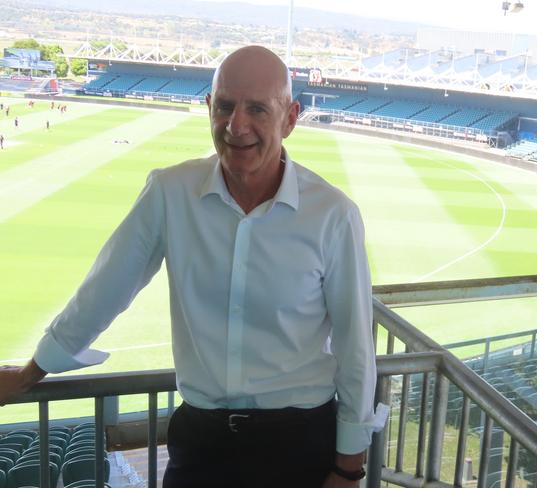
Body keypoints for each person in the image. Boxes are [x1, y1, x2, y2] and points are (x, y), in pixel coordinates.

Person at [0, 45, 385, 488]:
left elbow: (356, 347)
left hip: (300, 445)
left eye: (257, 109)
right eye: (224, 106)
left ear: (291, 118)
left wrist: (347, 468)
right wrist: (31, 372)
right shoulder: (169, 193)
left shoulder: (333, 215)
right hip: (201, 445)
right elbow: (104, 291)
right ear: (208, 107)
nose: (236, 125)